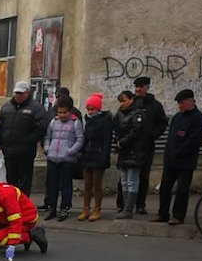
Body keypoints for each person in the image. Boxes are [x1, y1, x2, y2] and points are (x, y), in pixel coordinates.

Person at [153, 89, 202, 225]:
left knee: (182, 190)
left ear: (190, 101)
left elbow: (194, 140)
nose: (180, 106)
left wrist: (180, 152)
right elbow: (171, 138)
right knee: (165, 188)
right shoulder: (177, 117)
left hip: (185, 161)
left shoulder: (198, 118)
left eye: (182, 103)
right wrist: (169, 154)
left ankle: (178, 216)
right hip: (171, 159)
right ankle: (163, 213)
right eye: (178, 103)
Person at [118, 76, 168, 214]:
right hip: (128, 145)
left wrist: (153, 134)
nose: (138, 89)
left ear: (147, 87)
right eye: (136, 87)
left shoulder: (154, 105)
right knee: (125, 178)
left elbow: (163, 122)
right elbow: (121, 119)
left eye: (141, 86)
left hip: (145, 146)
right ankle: (122, 205)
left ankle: (140, 205)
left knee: (143, 176)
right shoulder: (130, 102)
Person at [0, 81, 47, 196]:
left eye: (21, 93)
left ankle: (23, 205)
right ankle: (12, 203)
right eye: (16, 93)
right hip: (9, 151)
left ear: (27, 93)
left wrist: (28, 141)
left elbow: (41, 128)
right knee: (11, 180)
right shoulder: (6, 107)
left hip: (25, 152)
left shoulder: (36, 108)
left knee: (24, 181)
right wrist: (0, 143)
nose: (18, 96)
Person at [0, 176, 48, 253]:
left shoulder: (6, 195)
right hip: (4, 220)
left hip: (26, 219)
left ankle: (30, 235)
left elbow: (15, 220)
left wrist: (12, 245)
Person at [43, 99, 85, 221]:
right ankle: (52, 208)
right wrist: (47, 148)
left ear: (69, 112)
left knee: (66, 185)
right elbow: (48, 137)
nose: (61, 115)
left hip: (67, 159)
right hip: (52, 157)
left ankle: (64, 208)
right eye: (59, 112)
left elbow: (80, 139)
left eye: (64, 112)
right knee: (52, 185)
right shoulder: (53, 122)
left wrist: (71, 151)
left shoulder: (75, 123)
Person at [113, 90, 150, 219]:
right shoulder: (120, 113)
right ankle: (125, 207)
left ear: (131, 99)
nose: (121, 104)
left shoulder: (138, 114)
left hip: (134, 151)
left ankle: (128, 209)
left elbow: (136, 131)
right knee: (124, 181)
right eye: (120, 102)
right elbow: (116, 127)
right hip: (123, 152)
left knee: (131, 181)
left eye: (124, 101)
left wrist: (121, 142)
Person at [78, 93, 113, 221]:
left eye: (92, 109)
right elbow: (85, 139)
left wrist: (104, 157)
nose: (90, 112)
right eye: (88, 109)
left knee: (96, 184)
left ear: (98, 109)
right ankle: (85, 208)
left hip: (98, 156)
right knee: (87, 184)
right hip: (87, 155)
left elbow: (106, 141)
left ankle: (97, 209)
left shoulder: (105, 121)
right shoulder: (88, 121)